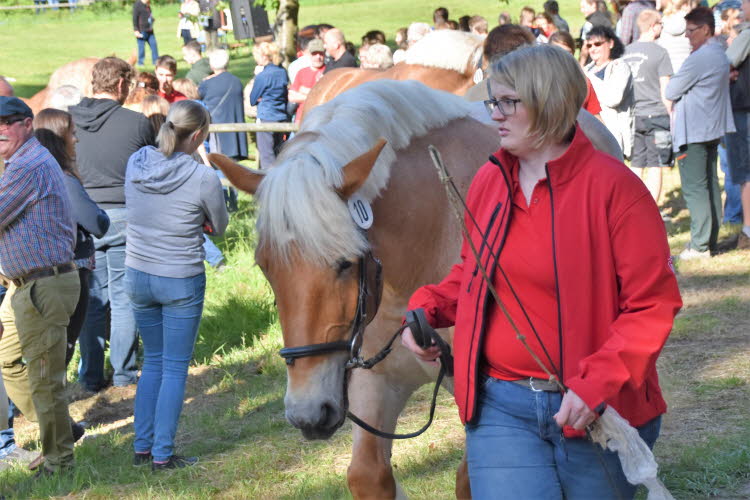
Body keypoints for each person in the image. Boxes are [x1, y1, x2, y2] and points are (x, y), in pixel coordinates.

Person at [400, 44, 682, 499]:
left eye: (508, 102)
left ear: (549, 103)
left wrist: (595, 386)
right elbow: (474, 272)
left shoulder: (618, 191)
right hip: (501, 408)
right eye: (494, 101)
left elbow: (652, 305)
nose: (494, 114)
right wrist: (426, 309)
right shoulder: (491, 179)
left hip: (597, 410)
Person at [125, 99, 228, 470]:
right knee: (173, 367)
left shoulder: (135, 162)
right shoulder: (202, 177)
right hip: (179, 276)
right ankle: (163, 454)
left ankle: (142, 446)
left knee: (152, 362)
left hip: (137, 272)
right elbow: (219, 226)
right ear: (199, 135)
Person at [0, 96, 83, 477]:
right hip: (23, 285)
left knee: (45, 379)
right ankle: (61, 428)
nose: (1, 130)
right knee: (8, 360)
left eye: (9, 122)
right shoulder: (16, 162)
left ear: (27, 125)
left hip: (43, 284)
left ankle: (59, 462)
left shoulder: (28, 165)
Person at [69, 57, 156, 392]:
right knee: (122, 297)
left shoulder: (69, 119)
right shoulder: (135, 123)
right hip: (123, 215)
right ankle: (122, 372)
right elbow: (149, 172)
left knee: (90, 298)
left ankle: (90, 375)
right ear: (121, 84)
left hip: (80, 216)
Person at [32, 109, 110, 367]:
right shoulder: (62, 179)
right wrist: (101, 215)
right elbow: (95, 221)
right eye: (72, 134)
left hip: (48, 271)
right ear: (59, 138)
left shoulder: (32, 173)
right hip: (69, 271)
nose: (76, 140)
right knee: (61, 347)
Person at [666, 7, 735, 259]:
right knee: (710, 186)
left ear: (705, 29)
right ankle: (709, 240)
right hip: (710, 128)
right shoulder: (719, 51)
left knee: (696, 188)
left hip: (693, 130)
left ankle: (700, 245)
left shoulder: (700, 57)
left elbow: (671, 90)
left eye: (691, 30)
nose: (687, 36)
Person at [622, 9, 674, 204]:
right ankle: (651, 208)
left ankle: (633, 204)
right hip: (657, 115)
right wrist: (672, 115)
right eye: (660, 24)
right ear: (653, 26)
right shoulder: (660, 52)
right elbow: (665, 89)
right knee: (655, 165)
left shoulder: (626, 52)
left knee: (636, 163)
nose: (662, 27)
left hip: (634, 116)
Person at [585, 26, 634, 158]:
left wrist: (588, 79)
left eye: (597, 44)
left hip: (613, 136)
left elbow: (614, 98)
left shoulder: (620, 67)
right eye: (589, 46)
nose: (593, 49)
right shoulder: (587, 70)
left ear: (610, 43)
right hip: (590, 135)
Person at [724, 0, 750, 249]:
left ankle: (748, 230)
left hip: (744, 108)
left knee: (744, 171)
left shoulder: (747, 34)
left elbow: (726, 62)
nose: (742, 7)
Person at [199, 49, 247, 160]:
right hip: (236, 135)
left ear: (211, 65)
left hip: (217, 136)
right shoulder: (236, 81)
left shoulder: (207, 84)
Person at [249, 42, 289, 169]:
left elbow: (252, 99)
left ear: (264, 56)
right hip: (281, 116)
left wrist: (256, 77)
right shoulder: (282, 72)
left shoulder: (262, 76)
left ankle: (269, 184)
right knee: (279, 153)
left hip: (266, 116)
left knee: (266, 155)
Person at [549, 31, 603, 118]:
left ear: (573, 53)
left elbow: (595, 118)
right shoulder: (538, 83)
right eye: (558, 52)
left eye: (567, 52)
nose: (563, 57)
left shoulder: (583, 83)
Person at [288, 38, 326, 123]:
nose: (318, 57)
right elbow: (292, 97)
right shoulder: (302, 72)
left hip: (320, 119)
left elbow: (325, 98)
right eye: (314, 54)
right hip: (301, 118)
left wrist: (303, 91)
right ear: (309, 55)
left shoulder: (328, 71)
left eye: (321, 54)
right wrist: (313, 95)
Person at [658, 0, 693, 73]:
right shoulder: (691, 23)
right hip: (687, 68)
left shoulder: (662, 22)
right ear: (685, 5)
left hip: (666, 69)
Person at [579, 0, 614, 66]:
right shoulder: (606, 21)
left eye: (583, 7)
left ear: (593, 5)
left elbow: (585, 47)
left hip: (592, 63)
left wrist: (581, 64)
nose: (582, 10)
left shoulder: (589, 24)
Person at [133, 0, 158, 67]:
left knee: (154, 45)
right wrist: (136, 30)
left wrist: (152, 19)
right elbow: (135, 18)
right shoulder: (137, 4)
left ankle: (156, 62)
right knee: (141, 47)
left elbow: (148, 15)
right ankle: (140, 63)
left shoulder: (147, 4)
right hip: (141, 30)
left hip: (150, 30)